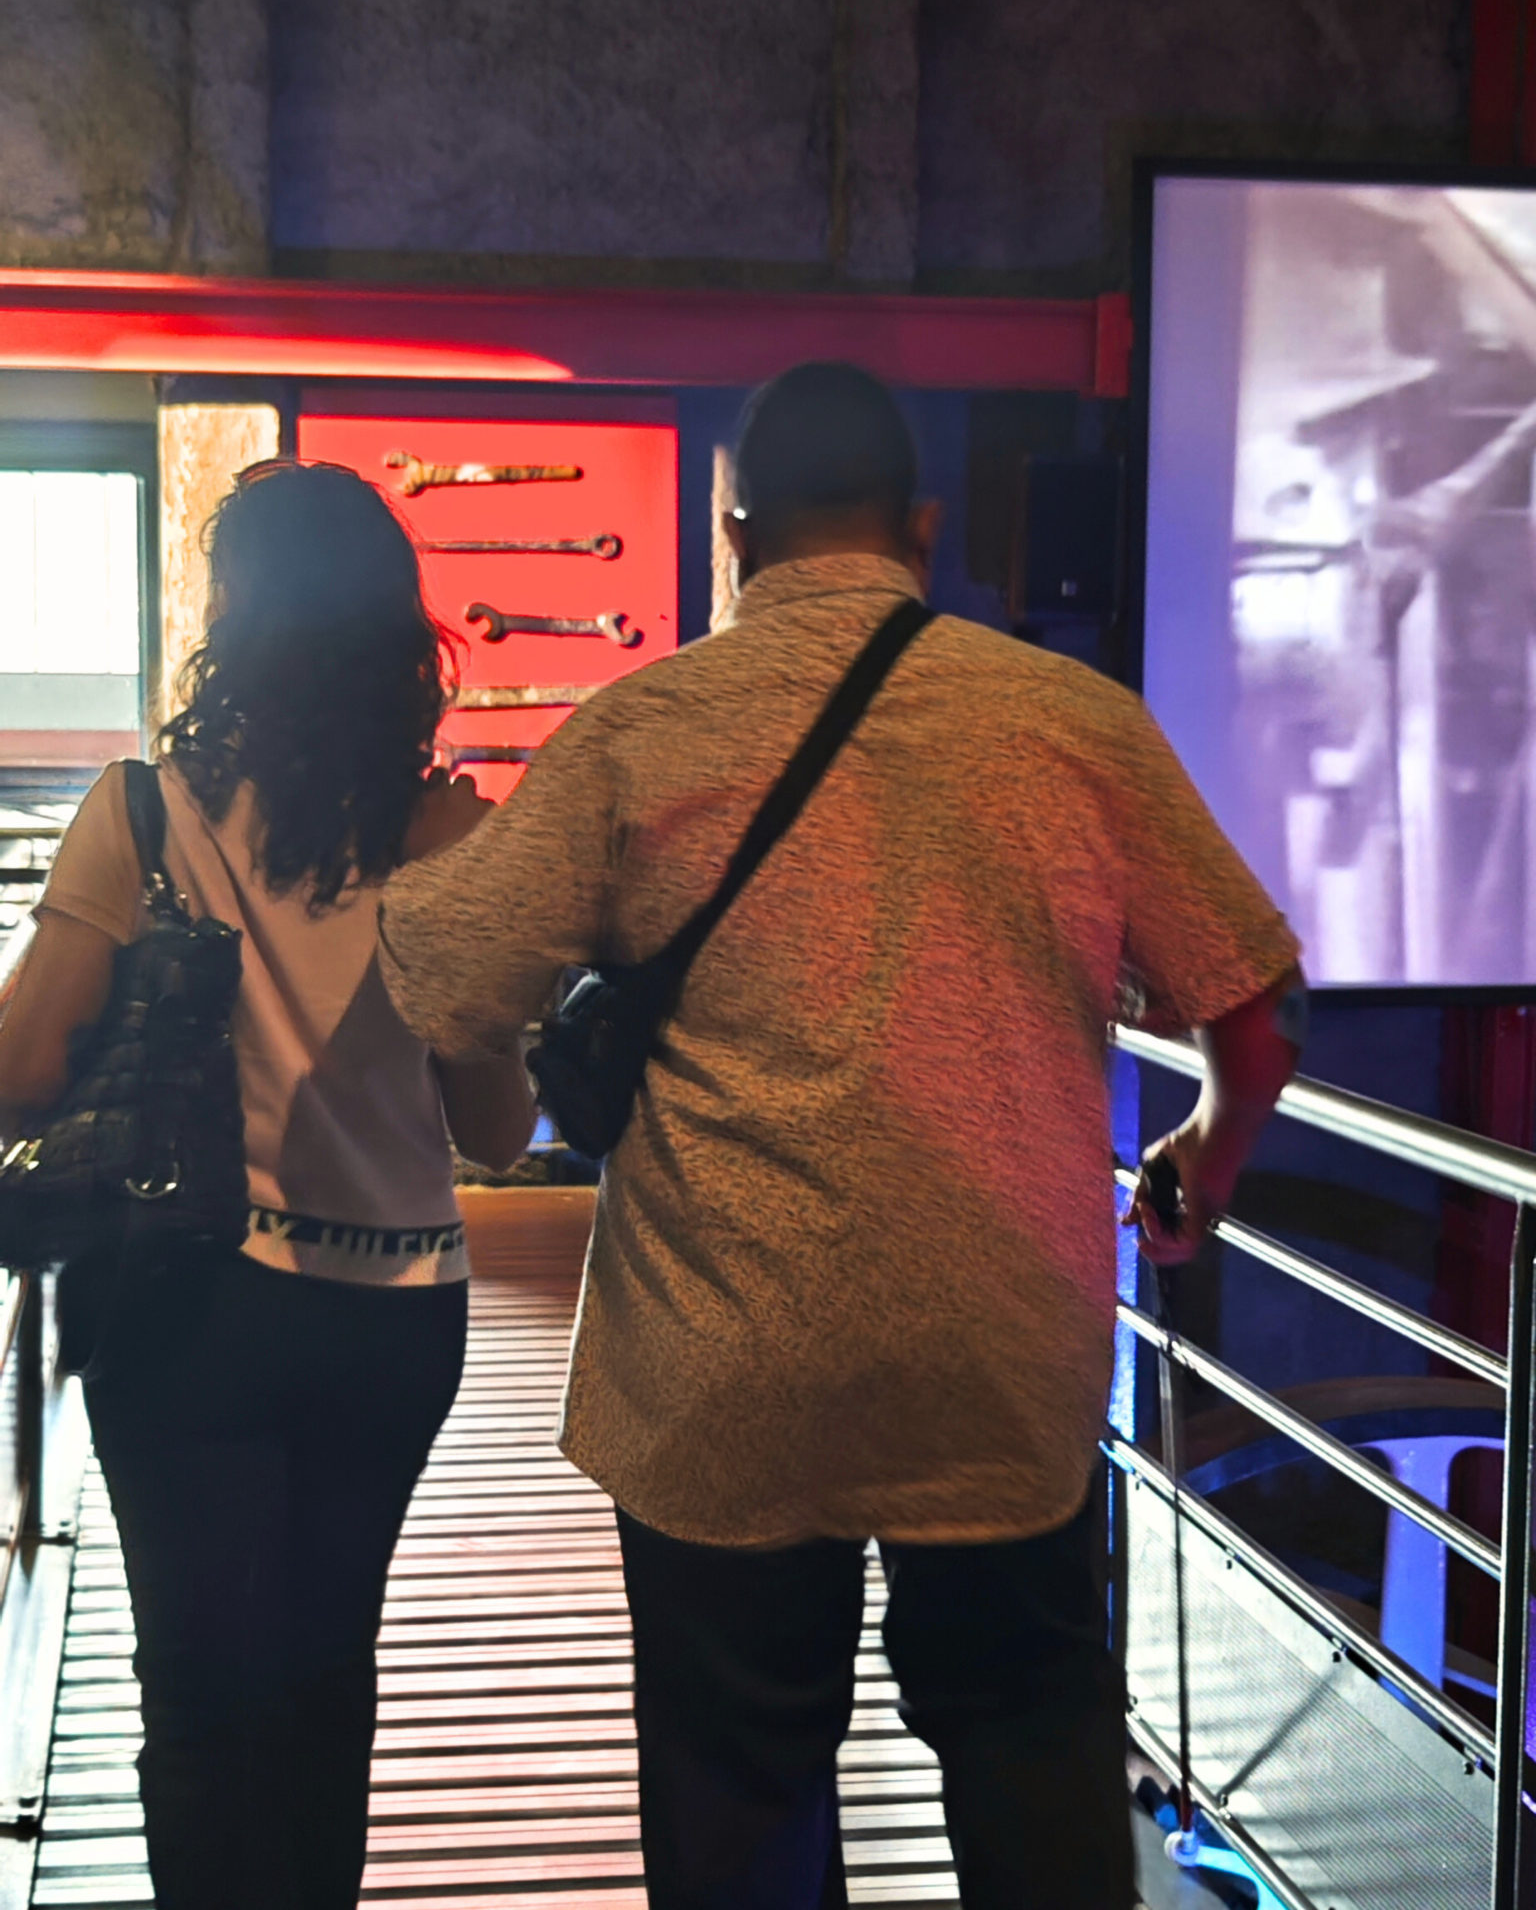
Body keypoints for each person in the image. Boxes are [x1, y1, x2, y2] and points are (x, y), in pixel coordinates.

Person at [376, 363, 1305, 1909]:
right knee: (1027, 1740)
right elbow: (1257, 1021)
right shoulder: (1074, 721)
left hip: (723, 1365)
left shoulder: (639, 729)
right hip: (1000, 1359)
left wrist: (408, 837)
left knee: (737, 1777)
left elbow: (454, 982)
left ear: (735, 534)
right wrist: (1197, 1172)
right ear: (924, 527)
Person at [0, 461, 533, 1910]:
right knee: (323, 1666)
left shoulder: (143, 815)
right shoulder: (453, 842)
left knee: (195, 1679)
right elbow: (497, 1124)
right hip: (397, 1310)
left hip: (189, 1293)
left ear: (232, 618)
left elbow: (27, 1067)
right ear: (396, 637)